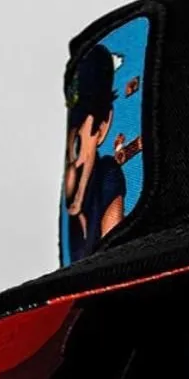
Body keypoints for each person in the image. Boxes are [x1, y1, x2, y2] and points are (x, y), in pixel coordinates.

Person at [62, 44, 126, 262]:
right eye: (69, 153)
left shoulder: (107, 177)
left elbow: (113, 259)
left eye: (77, 146)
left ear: (103, 127)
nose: (71, 175)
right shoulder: (73, 219)